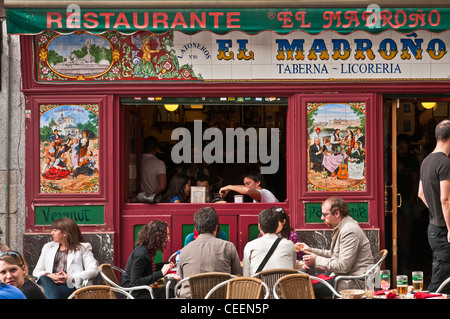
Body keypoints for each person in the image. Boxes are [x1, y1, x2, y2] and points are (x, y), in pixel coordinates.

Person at [297, 196, 373, 293]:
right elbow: (335, 254)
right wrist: (311, 250)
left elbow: (343, 266)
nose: (322, 218)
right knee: (305, 287)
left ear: (337, 213)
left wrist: (316, 260)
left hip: (352, 282)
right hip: (344, 278)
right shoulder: (343, 226)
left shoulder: (349, 230)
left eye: (325, 214)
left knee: (305, 291)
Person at [178, 207, 242, 298]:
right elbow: (238, 277)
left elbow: (183, 279)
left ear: (195, 228)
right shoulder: (229, 247)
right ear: (216, 227)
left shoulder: (184, 251)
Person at [418, 119, 450, 293]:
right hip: (443, 229)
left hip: (433, 227)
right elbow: (445, 199)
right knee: (441, 280)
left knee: (442, 273)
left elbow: (421, 193)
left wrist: (435, 210)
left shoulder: (426, 161)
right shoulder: (445, 163)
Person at [33, 218, 99, 299]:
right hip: (48, 283)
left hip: (69, 284)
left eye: (55, 230)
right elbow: (37, 271)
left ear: (65, 233)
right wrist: (50, 275)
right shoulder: (48, 247)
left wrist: (71, 277)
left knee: (50, 294)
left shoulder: (83, 248)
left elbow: (94, 270)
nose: (51, 233)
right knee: (43, 278)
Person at [120, 220, 174, 299]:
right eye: (166, 235)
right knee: (173, 291)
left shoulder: (147, 250)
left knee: (170, 290)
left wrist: (166, 264)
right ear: (157, 237)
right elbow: (135, 282)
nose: (169, 238)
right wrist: (161, 273)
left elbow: (147, 267)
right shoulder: (141, 254)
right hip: (132, 294)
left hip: (139, 290)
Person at [243, 208, 296, 276]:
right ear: (277, 226)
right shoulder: (289, 245)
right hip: (283, 285)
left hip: (260, 286)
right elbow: (292, 268)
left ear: (259, 227)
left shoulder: (250, 246)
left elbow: (246, 276)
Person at [397, 134, 420, 274]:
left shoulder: (411, 159)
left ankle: (404, 266)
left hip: (405, 200)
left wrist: (412, 198)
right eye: (400, 148)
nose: (402, 151)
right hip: (390, 201)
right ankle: (395, 265)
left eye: (405, 148)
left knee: (405, 235)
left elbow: (416, 180)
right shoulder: (390, 157)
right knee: (392, 233)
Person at [137, 136, 167, 203]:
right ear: (157, 149)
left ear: (143, 147)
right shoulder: (159, 163)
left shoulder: (137, 161)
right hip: (155, 203)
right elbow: (162, 186)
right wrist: (150, 198)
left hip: (138, 201)